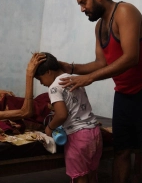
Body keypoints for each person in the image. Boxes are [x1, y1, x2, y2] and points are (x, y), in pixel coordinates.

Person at [60, 0, 142, 183]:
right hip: (123, 95)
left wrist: (91, 78)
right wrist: (70, 67)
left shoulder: (125, 12)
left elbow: (131, 57)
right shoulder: (99, 26)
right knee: (121, 152)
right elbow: (101, 63)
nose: (82, 8)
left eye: (83, 2)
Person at [35, 52, 102, 183]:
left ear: (48, 72)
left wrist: (49, 128)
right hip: (95, 132)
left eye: (40, 79)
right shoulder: (74, 79)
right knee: (91, 173)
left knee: (80, 177)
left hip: (78, 137)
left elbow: (61, 115)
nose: (42, 83)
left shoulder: (54, 87)